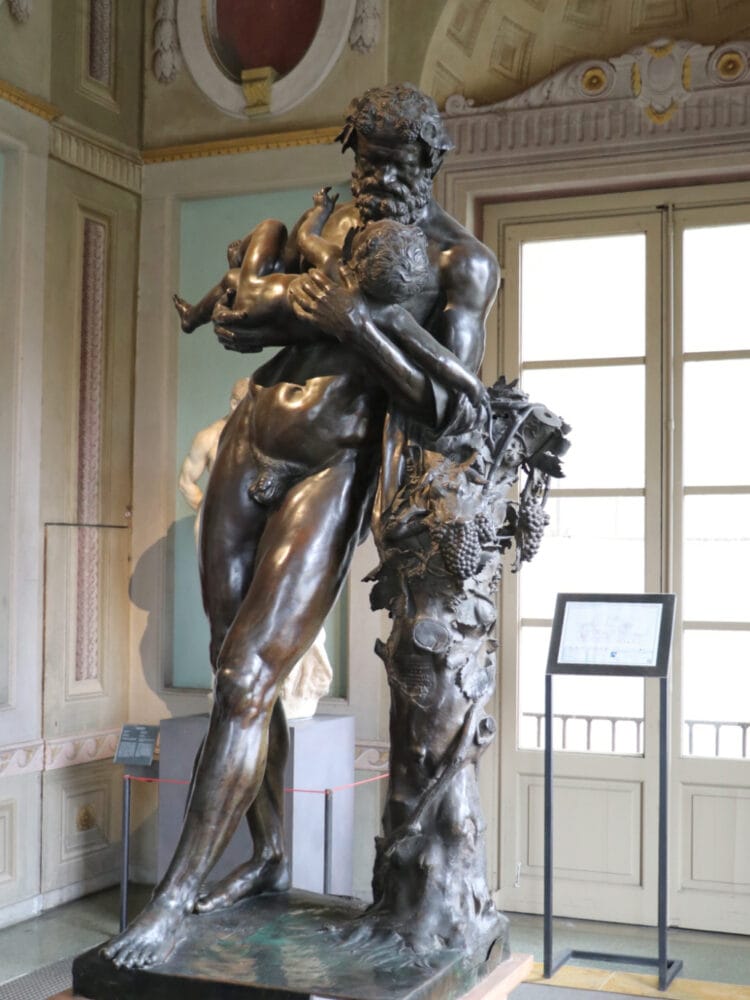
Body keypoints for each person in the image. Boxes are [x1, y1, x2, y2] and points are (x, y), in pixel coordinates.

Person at [103, 83, 499, 971]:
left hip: (333, 467)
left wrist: (357, 323)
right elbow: (244, 332)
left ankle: (170, 905)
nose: (375, 179)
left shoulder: (459, 263)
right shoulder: (336, 226)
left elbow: (452, 403)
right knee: (228, 667)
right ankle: (270, 852)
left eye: (394, 164)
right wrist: (251, 309)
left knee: (250, 672)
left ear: (429, 161)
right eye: (365, 159)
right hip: (250, 442)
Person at [178, 377, 250, 543]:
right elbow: (185, 482)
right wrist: (209, 511)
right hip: (220, 521)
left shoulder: (262, 436)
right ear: (234, 404)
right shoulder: (208, 437)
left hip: (254, 518)